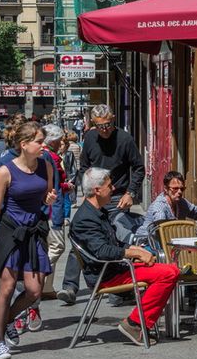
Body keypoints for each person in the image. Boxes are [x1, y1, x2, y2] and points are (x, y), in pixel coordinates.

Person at [69, 167, 179, 346]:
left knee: (168, 269)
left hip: (116, 268)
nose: (113, 189)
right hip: (107, 274)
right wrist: (134, 252)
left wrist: (135, 249)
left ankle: (140, 322)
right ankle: (135, 323)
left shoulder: (98, 212)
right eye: (109, 185)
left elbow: (113, 244)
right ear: (97, 190)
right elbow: (102, 251)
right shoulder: (85, 218)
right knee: (169, 273)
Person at [0, 122, 57, 359]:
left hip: (34, 230)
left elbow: (47, 195)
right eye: (39, 141)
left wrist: (50, 199)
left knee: (34, 290)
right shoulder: (5, 172)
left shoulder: (46, 166)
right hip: (10, 232)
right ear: (24, 144)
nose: (43, 145)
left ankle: (9, 319)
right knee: (7, 287)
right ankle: (0, 342)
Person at [57, 104, 145, 306]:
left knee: (114, 238)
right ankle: (70, 286)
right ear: (93, 124)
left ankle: (118, 289)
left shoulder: (124, 139)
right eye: (100, 126)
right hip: (94, 195)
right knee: (82, 237)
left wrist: (131, 192)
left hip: (117, 195)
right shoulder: (90, 138)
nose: (104, 129)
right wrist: (86, 188)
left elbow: (138, 168)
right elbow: (85, 166)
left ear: (113, 119)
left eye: (108, 124)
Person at [42, 124, 73, 301]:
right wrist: (64, 187)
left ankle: (47, 288)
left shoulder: (47, 155)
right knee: (57, 246)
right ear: (53, 140)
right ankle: (39, 276)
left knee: (49, 246)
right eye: (60, 139)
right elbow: (52, 184)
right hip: (54, 209)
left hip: (51, 206)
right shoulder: (50, 157)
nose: (62, 141)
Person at [140, 171, 197, 239]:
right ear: (166, 189)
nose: (179, 192)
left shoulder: (182, 202)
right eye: (175, 189)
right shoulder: (159, 205)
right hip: (148, 241)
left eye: (182, 189)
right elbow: (161, 225)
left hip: (170, 241)